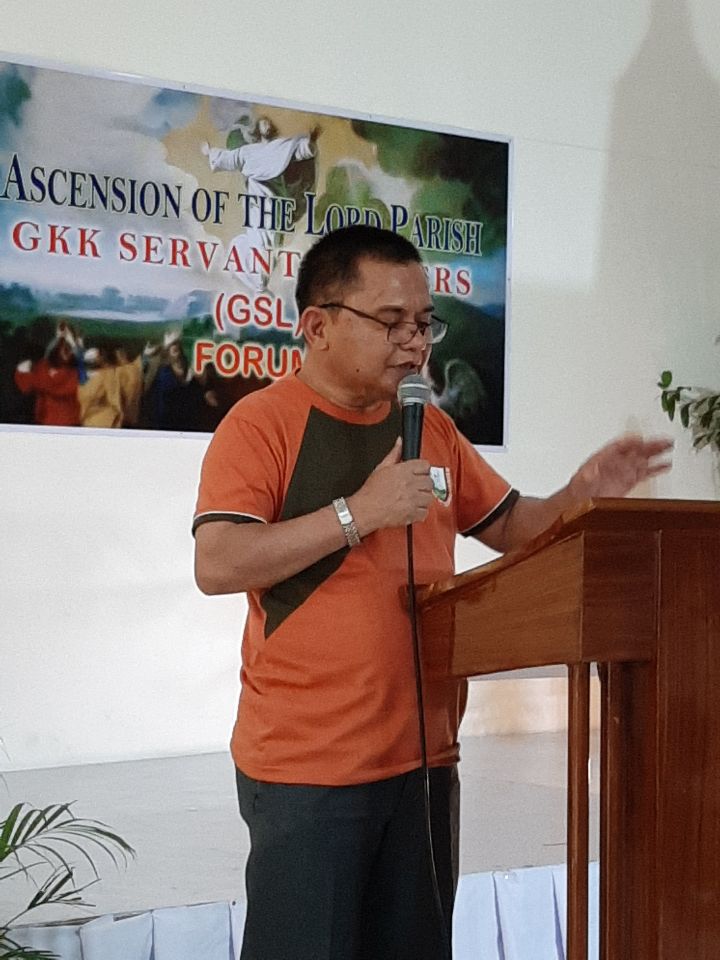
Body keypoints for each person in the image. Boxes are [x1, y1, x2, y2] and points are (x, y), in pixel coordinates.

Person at [192, 225, 671, 960]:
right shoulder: (261, 425)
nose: (415, 344)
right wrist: (360, 513)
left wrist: (582, 492)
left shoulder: (432, 429)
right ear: (317, 325)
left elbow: (514, 526)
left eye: (423, 323)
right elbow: (218, 562)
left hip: (424, 766)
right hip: (306, 774)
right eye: (391, 323)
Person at [201, 116, 320, 291]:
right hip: (256, 204)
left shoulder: (282, 147)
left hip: (275, 204)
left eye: (269, 123)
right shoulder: (248, 152)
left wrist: (312, 140)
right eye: (263, 123)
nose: (267, 124)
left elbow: (302, 150)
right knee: (258, 240)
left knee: (272, 243)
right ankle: (258, 283)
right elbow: (227, 159)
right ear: (257, 130)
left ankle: (261, 283)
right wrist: (209, 152)